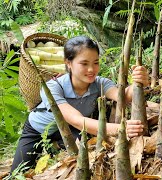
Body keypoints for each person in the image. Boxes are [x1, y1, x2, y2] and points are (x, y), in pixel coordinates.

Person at [11, 36, 149, 172]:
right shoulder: (53, 87)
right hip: (38, 130)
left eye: (96, 63)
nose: (91, 69)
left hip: (70, 130)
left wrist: (139, 81)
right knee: (17, 172)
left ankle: (55, 147)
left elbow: (123, 96)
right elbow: (75, 119)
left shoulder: (99, 83)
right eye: (84, 64)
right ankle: (51, 147)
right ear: (68, 63)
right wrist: (120, 129)